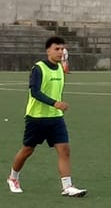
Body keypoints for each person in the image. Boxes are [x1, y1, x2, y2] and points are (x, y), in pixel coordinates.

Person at [7, 35, 85, 195]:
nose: (60, 52)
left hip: (56, 118)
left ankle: (67, 187)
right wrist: (55, 103)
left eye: (62, 49)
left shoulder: (60, 69)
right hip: (36, 118)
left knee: (64, 149)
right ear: (48, 50)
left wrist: (56, 107)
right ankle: (13, 178)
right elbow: (34, 92)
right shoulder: (39, 68)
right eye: (57, 49)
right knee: (27, 150)